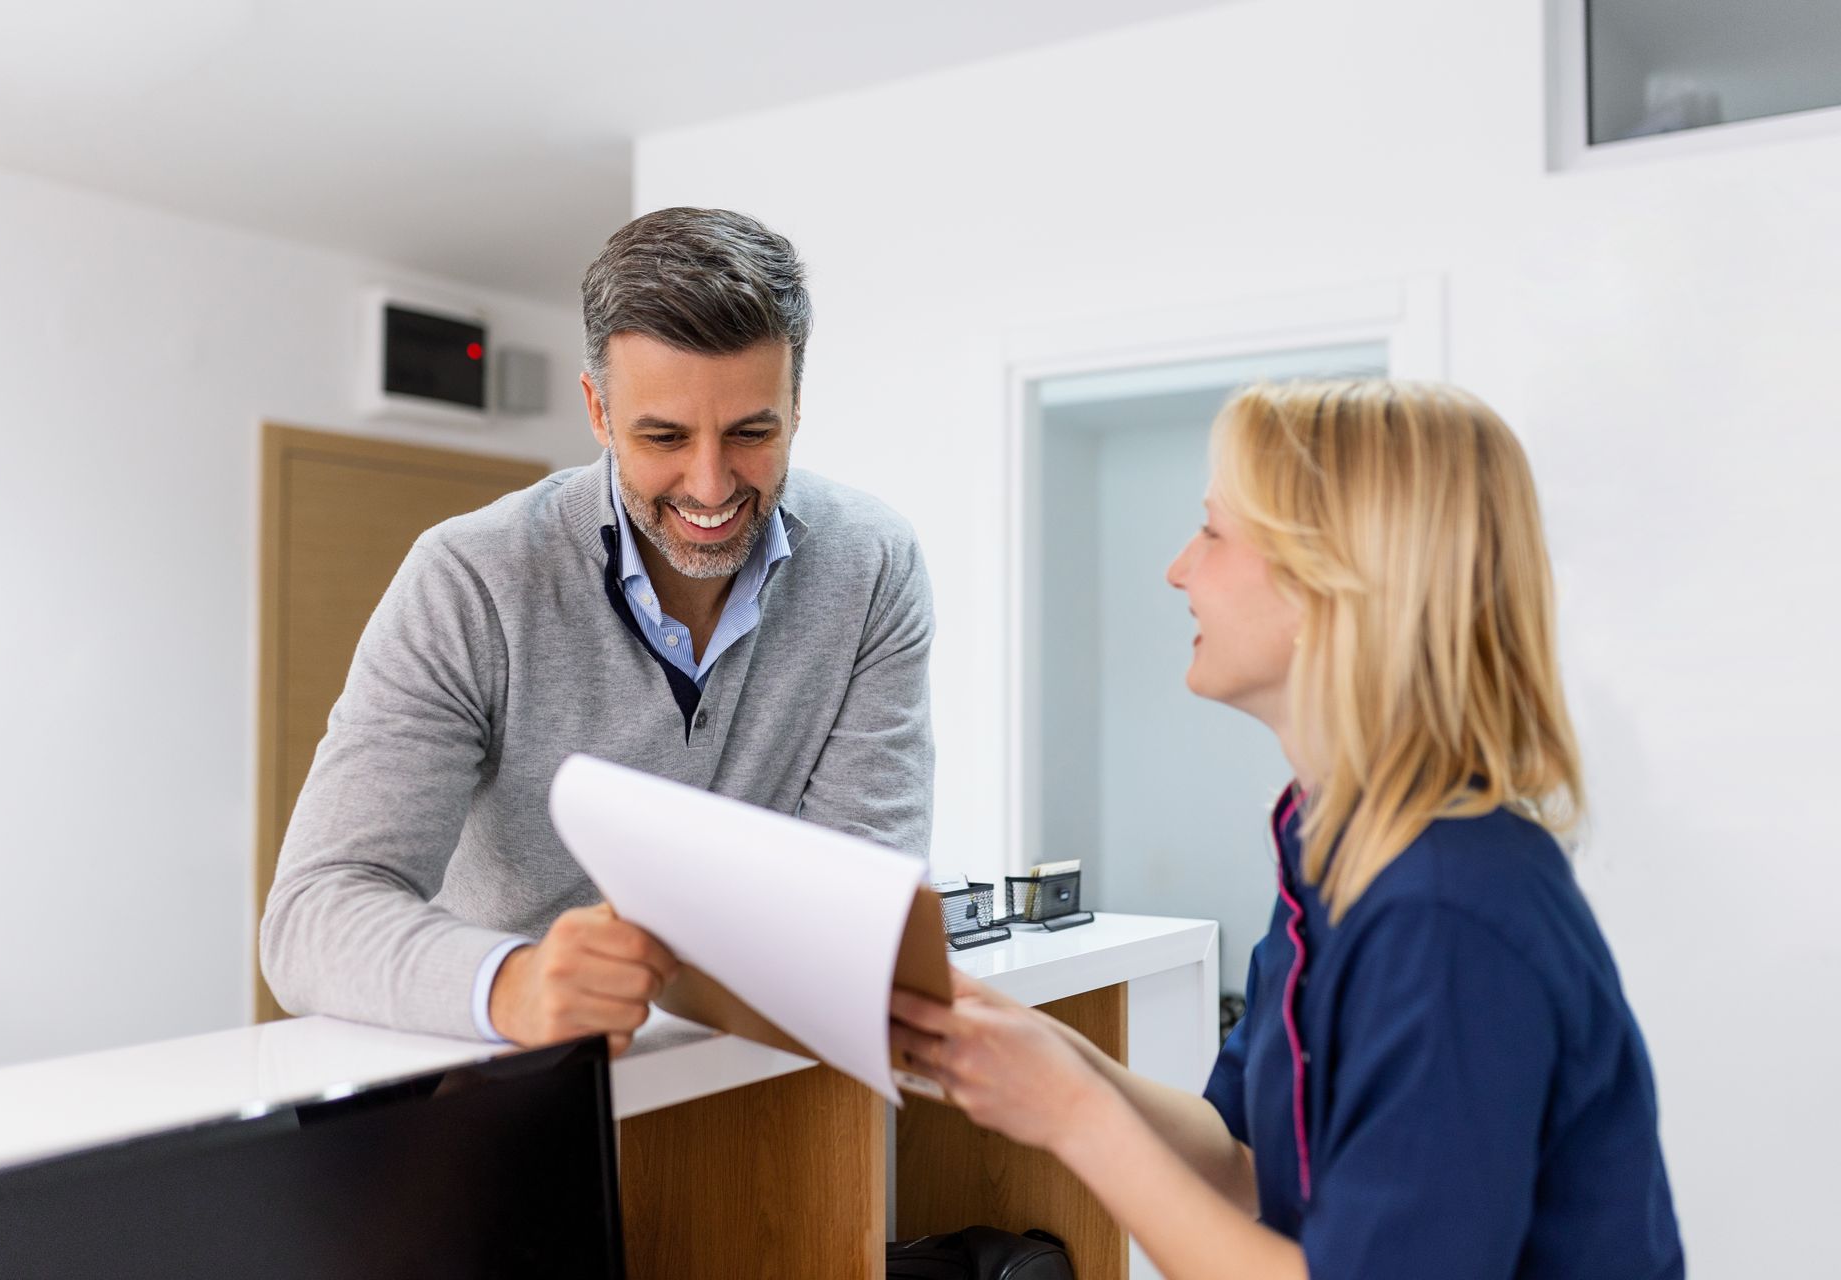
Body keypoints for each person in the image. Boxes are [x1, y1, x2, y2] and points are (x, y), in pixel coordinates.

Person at [891, 381, 1683, 1279]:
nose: (1179, 568)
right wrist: (1020, 1041)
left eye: (1215, 532)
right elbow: (1243, 1164)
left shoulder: (1448, 913)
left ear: (1329, 584)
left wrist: (1074, 1115)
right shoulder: (1336, 851)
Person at [262, 207, 934, 1054]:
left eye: (751, 432)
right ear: (597, 411)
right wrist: (514, 984)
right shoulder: (470, 579)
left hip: (761, 1074)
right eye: (663, 436)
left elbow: (865, 887)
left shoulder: (873, 563)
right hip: (518, 1082)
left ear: (797, 404)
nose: (711, 483)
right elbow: (312, 915)